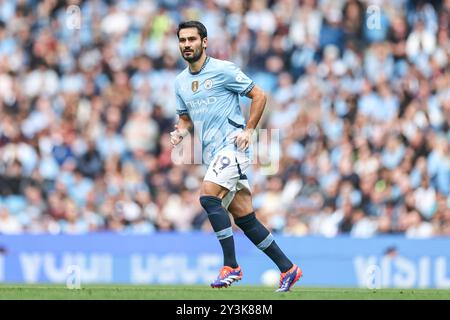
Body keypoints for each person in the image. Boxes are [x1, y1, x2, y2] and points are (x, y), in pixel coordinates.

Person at [170, 20, 302, 292]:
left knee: (208, 197)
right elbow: (184, 119)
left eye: (192, 40)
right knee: (245, 218)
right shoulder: (180, 82)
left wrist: (249, 131)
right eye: (182, 40)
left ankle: (231, 265)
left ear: (204, 42)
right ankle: (288, 268)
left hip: (233, 148)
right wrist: (180, 132)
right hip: (211, 155)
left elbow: (259, 95)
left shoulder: (223, 69)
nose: (187, 45)